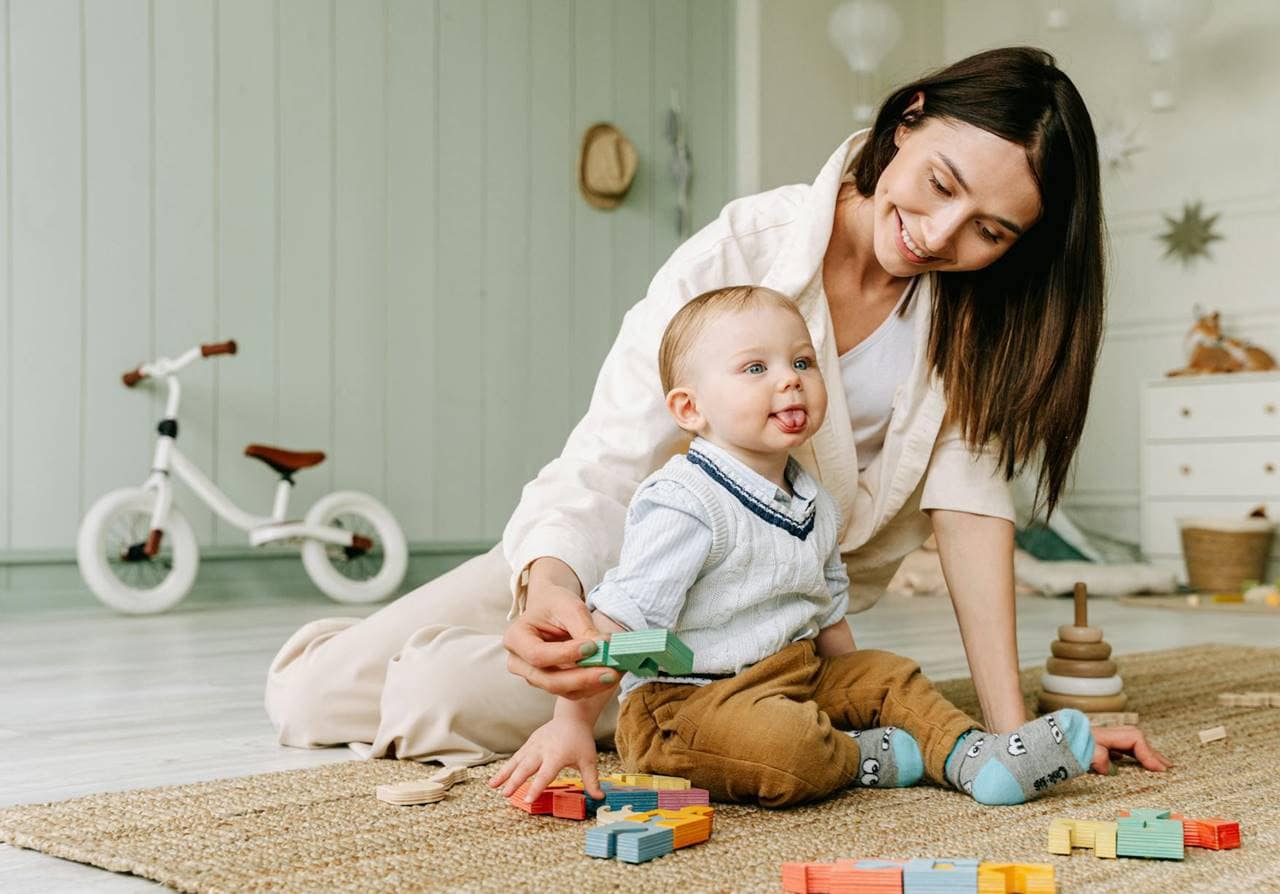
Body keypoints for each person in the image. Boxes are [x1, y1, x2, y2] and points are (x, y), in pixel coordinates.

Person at [265, 46, 1168, 775]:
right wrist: (548, 585)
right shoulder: (746, 248)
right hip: (623, 553)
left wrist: (1013, 735)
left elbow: (971, 516)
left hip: (751, 628)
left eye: (989, 230)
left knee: (432, 696)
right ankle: (467, 644)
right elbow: (609, 457)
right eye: (939, 183)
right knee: (307, 696)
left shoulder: (976, 324)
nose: (939, 234)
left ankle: (695, 708)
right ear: (909, 118)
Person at [490, 285, 1100, 809]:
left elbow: (826, 608)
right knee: (788, 747)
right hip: (687, 707)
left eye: (803, 363)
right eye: (756, 368)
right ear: (690, 408)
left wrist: (858, 692)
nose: (790, 379)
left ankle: (978, 759)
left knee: (892, 676)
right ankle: (863, 757)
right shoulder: (685, 500)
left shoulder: (813, 498)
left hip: (792, 674)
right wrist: (569, 723)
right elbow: (622, 625)